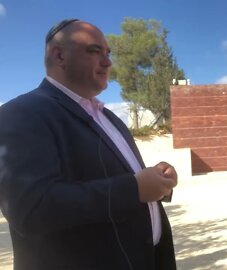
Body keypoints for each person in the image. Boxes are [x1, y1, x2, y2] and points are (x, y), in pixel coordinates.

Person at [0, 19, 177, 269]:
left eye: (108, 53)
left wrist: (160, 182)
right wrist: (134, 188)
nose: (107, 62)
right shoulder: (19, 114)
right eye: (94, 51)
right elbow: (31, 209)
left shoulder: (110, 118)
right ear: (59, 55)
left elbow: (119, 178)